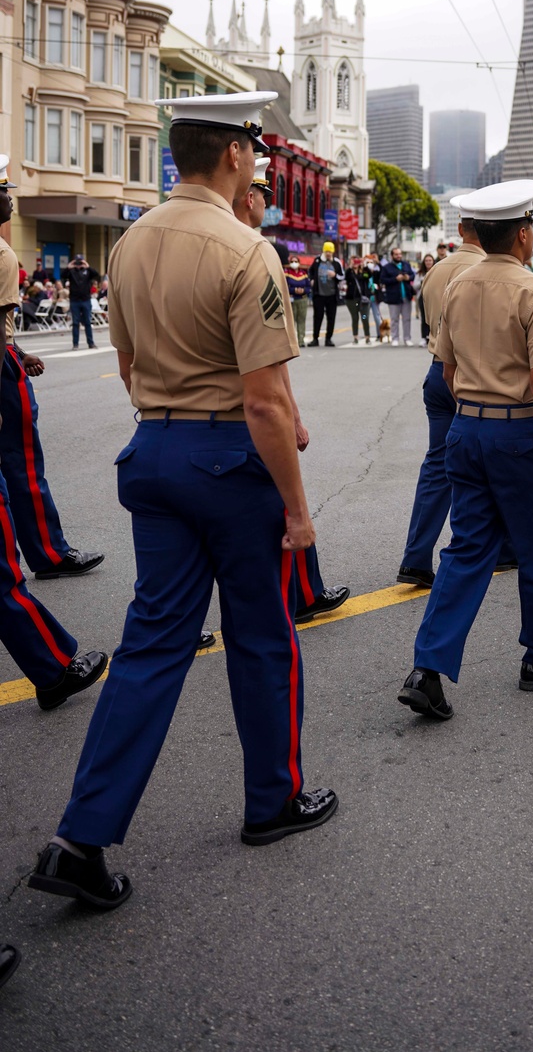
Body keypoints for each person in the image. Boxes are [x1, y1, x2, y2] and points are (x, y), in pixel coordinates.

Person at [28, 93, 337, 913]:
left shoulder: (128, 246)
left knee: (151, 646)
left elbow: (128, 368)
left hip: (154, 450)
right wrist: (298, 510)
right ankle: (272, 798)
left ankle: (82, 834)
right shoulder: (246, 250)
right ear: (234, 154)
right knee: (264, 636)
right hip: (230, 460)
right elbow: (266, 400)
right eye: (254, 152)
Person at [397, 179, 533, 722]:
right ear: (523, 233)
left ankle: (427, 667)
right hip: (519, 432)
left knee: (466, 549)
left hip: (466, 428)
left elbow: (448, 371)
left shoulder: (456, 285)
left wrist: (476, 414)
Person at [0, 155, 109, 709]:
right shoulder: (1, 252)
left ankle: (47, 551)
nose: (11, 199)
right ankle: (47, 553)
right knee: (22, 470)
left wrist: (17, 350)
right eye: (3, 191)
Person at [233, 157, 350, 625]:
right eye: (264, 194)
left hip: (161, 424)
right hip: (238, 416)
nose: (266, 203)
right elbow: (270, 365)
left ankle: (186, 623)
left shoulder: (148, 239)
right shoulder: (255, 253)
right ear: (250, 197)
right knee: (281, 506)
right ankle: (303, 594)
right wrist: (293, 418)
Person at [397, 197, 517, 590]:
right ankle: (498, 549)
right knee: (493, 463)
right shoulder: (493, 269)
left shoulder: (436, 270)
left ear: (461, 228)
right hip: (478, 376)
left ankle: (415, 557)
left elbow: (430, 322)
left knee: (437, 465)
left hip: (438, 370)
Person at [307, 242, 343, 347]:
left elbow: (342, 276)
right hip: (319, 294)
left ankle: (328, 339)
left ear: (332, 252)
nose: (328, 253)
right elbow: (310, 271)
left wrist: (335, 275)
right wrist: (312, 279)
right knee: (317, 316)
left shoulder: (336, 262)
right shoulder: (317, 260)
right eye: (326, 251)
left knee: (331, 317)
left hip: (332, 295)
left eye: (330, 251)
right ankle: (315, 338)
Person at [380, 247, 416, 346]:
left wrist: (408, 277)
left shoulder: (406, 265)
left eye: (400, 254)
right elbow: (383, 280)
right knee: (394, 319)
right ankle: (395, 338)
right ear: (392, 256)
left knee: (407, 319)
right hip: (393, 297)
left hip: (406, 296)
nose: (398, 256)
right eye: (396, 254)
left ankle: (407, 338)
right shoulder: (387, 267)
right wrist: (395, 279)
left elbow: (413, 275)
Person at [65, 254, 100, 350]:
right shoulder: (71, 271)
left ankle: (91, 343)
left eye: (80, 262)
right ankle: (75, 344)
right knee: (75, 323)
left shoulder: (88, 271)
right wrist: (69, 267)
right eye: (77, 262)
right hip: (74, 300)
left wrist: (87, 266)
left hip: (85, 300)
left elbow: (96, 275)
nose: (79, 264)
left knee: (87, 322)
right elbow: (62, 276)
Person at [344, 256, 373, 344]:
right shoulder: (349, 272)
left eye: (357, 262)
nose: (356, 264)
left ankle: (367, 336)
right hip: (352, 300)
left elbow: (369, 276)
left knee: (364, 317)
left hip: (363, 300)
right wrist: (350, 267)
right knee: (355, 317)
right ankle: (355, 336)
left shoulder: (364, 272)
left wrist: (364, 265)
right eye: (354, 262)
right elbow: (346, 277)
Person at [284, 256, 311, 348]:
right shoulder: (287, 273)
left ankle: (301, 340)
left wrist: (303, 290)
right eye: (292, 261)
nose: (294, 263)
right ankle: (291, 341)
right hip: (292, 299)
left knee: (301, 320)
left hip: (302, 299)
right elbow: (284, 286)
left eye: (296, 261)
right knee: (291, 321)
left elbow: (308, 287)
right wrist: (294, 290)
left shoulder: (303, 273)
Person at [415, 253, 435, 344]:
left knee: (434, 318)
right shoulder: (419, 273)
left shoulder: (437, 271)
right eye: (426, 261)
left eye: (430, 260)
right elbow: (414, 286)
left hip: (435, 298)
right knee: (424, 318)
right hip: (422, 298)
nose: (428, 262)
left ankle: (433, 337)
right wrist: (422, 282)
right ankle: (424, 337)